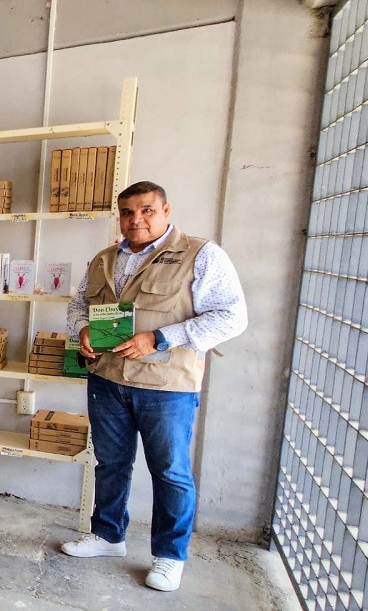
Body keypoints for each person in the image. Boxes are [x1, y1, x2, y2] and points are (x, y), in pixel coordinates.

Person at [61, 181, 247, 592]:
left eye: (146, 210)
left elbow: (232, 317)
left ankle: (169, 556)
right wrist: (83, 328)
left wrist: (160, 338)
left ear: (165, 210)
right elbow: (77, 306)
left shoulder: (201, 254)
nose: (136, 220)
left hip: (166, 386)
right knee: (111, 463)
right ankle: (108, 536)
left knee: (170, 472)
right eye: (127, 212)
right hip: (107, 380)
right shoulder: (105, 258)